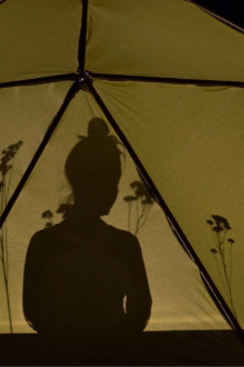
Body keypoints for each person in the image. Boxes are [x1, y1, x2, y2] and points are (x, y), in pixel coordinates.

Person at [22, 118, 152, 342]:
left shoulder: (44, 244)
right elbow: (139, 314)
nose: (114, 191)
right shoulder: (125, 246)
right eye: (111, 181)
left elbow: (35, 312)